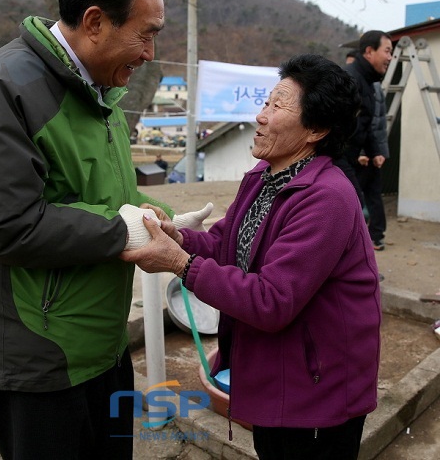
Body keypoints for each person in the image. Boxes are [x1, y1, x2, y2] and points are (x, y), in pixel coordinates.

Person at [0, 0, 178, 460]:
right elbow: (7, 225)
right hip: (40, 361)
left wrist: (144, 209)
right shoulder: (0, 89)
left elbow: (99, 196)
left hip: (103, 345)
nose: (150, 53)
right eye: (146, 34)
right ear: (95, 22)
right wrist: (127, 231)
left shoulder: (100, 92)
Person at [122, 54, 382, 460]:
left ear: (315, 129)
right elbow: (226, 247)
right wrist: (178, 237)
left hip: (317, 389)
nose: (260, 116)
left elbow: (271, 300)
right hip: (278, 373)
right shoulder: (266, 176)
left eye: (277, 107)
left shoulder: (327, 198)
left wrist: (178, 263)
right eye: (265, 102)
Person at [345, 31, 393, 251]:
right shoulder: (351, 81)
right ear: (369, 51)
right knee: (355, 210)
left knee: (359, 208)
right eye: (387, 51)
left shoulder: (367, 82)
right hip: (339, 161)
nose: (390, 57)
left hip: (351, 158)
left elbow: (365, 125)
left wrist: (375, 152)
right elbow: (341, 130)